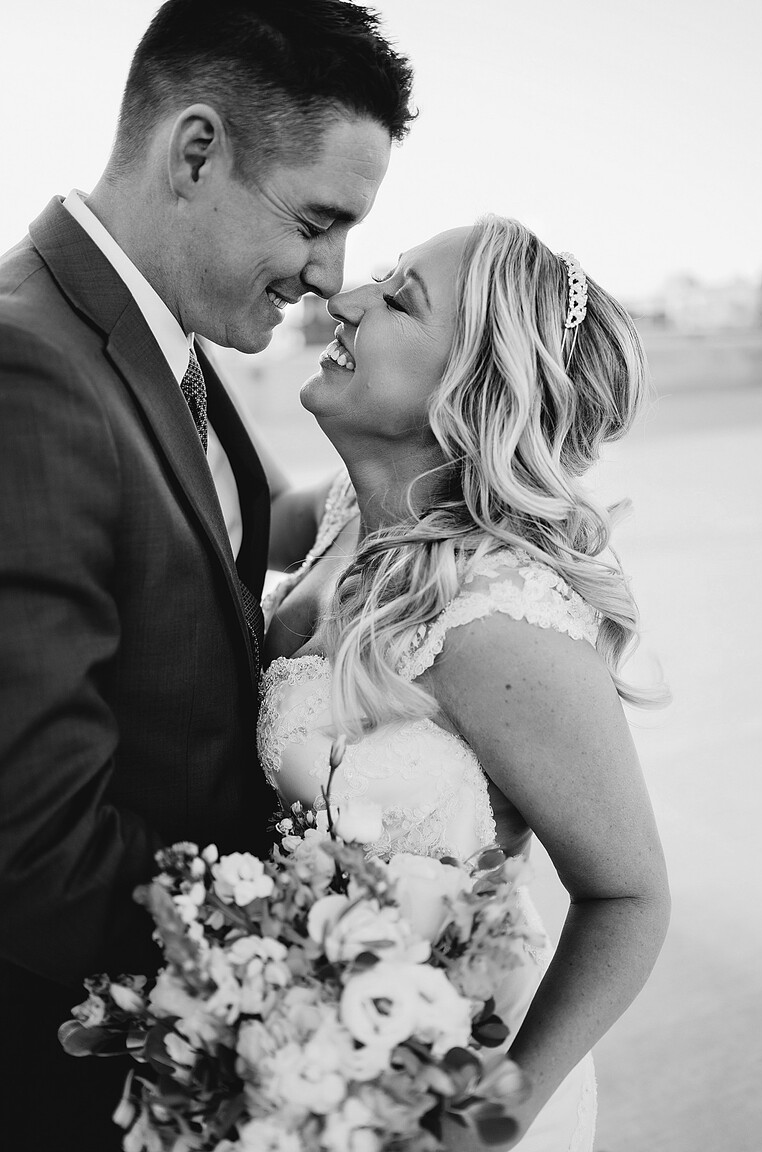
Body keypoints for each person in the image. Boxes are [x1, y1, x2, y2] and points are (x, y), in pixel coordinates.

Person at [0, 2, 414, 1148]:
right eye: (317, 222)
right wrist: (307, 963)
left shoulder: (162, 329)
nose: (329, 277)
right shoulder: (25, 370)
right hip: (92, 1078)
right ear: (195, 152)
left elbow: (251, 523)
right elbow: (34, 849)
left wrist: (457, 480)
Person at [258, 216, 671, 1150]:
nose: (347, 299)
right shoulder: (343, 510)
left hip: (456, 1071)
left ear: (468, 391)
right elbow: (232, 497)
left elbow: (629, 899)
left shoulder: (494, 621)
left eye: (398, 300)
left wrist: (487, 1123)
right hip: (312, 1052)